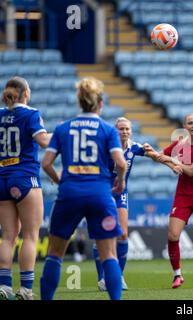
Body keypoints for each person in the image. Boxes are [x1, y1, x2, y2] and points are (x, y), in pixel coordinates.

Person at [40, 77, 127, 300]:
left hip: (69, 194)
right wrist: (121, 181)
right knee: (109, 254)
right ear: (101, 103)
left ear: (79, 102)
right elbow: (120, 163)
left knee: (54, 254)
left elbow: (46, 163)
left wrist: (60, 181)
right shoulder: (108, 130)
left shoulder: (62, 128)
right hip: (100, 194)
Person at [94, 117, 182, 292]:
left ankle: (118, 275)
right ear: (115, 130)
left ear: (131, 131)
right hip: (102, 191)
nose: (124, 132)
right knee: (102, 235)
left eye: (127, 129)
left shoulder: (134, 147)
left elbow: (155, 156)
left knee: (123, 234)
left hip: (120, 193)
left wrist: (172, 164)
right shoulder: (106, 146)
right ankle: (102, 277)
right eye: (121, 129)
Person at [0, 76, 52, 300]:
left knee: (8, 236)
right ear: (26, 94)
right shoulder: (31, 113)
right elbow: (43, 141)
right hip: (25, 178)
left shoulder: (0, 115)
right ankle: (26, 290)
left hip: (2, 178)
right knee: (30, 235)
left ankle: (4, 286)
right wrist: (63, 138)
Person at [151, 113, 193, 289]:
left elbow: (192, 171)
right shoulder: (179, 145)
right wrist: (172, 165)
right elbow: (159, 156)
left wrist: (174, 162)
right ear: (185, 126)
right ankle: (177, 275)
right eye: (190, 123)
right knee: (172, 234)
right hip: (183, 196)